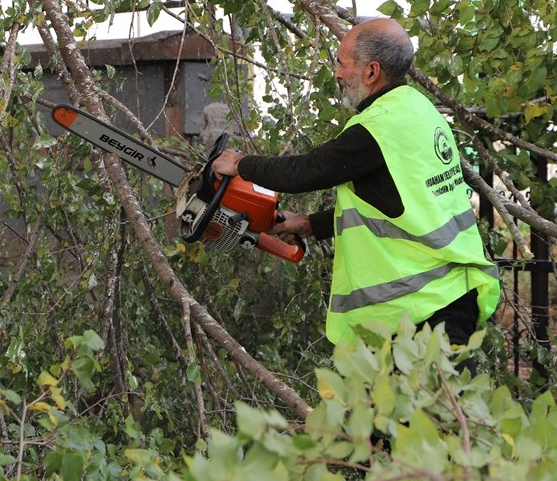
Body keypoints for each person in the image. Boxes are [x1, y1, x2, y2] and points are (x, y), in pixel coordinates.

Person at [212, 18, 500, 351]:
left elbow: (307, 171)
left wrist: (239, 164)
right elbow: (394, 201)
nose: (336, 73)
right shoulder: (418, 109)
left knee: (441, 403)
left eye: (341, 63)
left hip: (422, 310)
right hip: (441, 298)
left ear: (371, 71)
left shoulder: (379, 126)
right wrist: (310, 224)